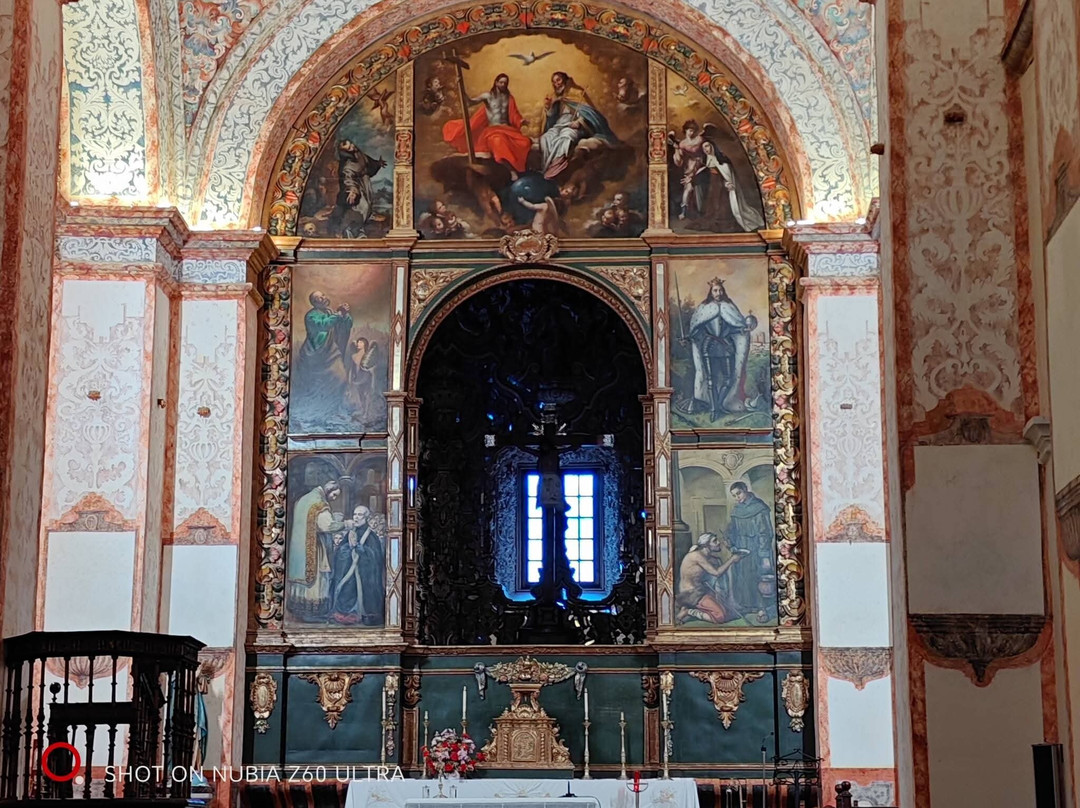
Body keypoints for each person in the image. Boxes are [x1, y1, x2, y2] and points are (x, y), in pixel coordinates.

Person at [685, 277, 757, 418]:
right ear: (711, 292)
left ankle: (717, 406)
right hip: (709, 346)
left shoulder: (729, 307)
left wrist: (743, 330)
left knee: (728, 380)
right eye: (715, 290)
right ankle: (714, 411)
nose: (718, 293)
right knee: (710, 379)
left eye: (720, 290)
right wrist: (691, 336)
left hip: (726, 346)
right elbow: (697, 328)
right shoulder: (704, 308)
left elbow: (734, 326)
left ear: (723, 291)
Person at [443, 73, 532, 175]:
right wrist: (461, 90)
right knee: (498, 141)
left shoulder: (509, 98)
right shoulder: (488, 96)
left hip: (507, 129)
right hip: (493, 131)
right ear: (496, 82)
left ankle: (521, 168)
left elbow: (514, 114)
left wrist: (521, 121)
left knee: (525, 142)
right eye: (501, 82)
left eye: (505, 83)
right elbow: (470, 102)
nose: (503, 84)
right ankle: (511, 170)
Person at [539, 72, 618, 180]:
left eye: (558, 80)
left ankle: (557, 164)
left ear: (565, 80)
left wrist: (579, 122)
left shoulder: (577, 93)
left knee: (565, 137)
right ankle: (546, 166)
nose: (556, 84)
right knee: (545, 138)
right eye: (553, 81)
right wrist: (549, 108)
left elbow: (588, 112)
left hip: (575, 125)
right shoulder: (555, 97)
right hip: (559, 124)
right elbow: (551, 117)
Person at [292, 291, 352, 429]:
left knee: (341, 378)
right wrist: (337, 315)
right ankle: (319, 415)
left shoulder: (330, 311)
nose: (324, 298)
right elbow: (323, 325)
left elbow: (342, 325)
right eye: (320, 298)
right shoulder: (311, 316)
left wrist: (344, 315)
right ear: (315, 302)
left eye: (323, 295)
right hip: (316, 356)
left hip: (331, 352)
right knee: (318, 387)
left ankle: (334, 410)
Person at [287, 480, 345, 619]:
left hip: (299, 548)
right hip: (314, 547)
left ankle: (298, 609)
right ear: (329, 489)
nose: (334, 498)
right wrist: (345, 524)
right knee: (318, 579)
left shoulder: (303, 499)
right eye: (334, 495)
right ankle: (313, 613)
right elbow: (327, 526)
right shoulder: (320, 504)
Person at [726, 482, 775, 621]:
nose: (737, 497)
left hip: (757, 549)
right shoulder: (736, 510)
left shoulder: (759, 507)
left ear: (746, 490)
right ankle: (747, 606)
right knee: (742, 577)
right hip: (741, 549)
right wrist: (731, 542)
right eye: (734, 495)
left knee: (758, 577)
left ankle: (762, 609)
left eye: (739, 493)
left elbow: (765, 533)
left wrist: (764, 555)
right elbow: (733, 530)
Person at [330, 505, 386, 626]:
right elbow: (339, 552)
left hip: (364, 575)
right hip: (349, 572)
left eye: (359, 515)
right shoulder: (350, 533)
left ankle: (365, 615)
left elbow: (375, 557)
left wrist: (360, 549)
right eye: (355, 514)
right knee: (347, 589)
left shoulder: (371, 536)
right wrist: (349, 548)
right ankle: (345, 614)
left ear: (366, 518)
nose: (356, 517)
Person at [676, 532, 746, 624]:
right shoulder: (697, 556)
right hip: (691, 594)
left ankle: (688, 608)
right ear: (706, 545)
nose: (718, 542)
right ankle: (688, 612)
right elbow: (716, 573)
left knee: (729, 611)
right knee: (720, 616)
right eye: (714, 541)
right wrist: (732, 559)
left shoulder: (707, 556)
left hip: (701, 590)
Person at [328, 139, 387, 237]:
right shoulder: (347, 165)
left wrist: (377, 163)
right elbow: (348, 178)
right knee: (363, 206)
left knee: (368, 203)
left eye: (351, 144)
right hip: (356, 186)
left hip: (364, 183)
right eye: (349, 147)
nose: (353, 146)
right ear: (345, 152)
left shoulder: (359, 154)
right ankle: (351, 229)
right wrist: (353, 191)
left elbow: (368, 161)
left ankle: (361, 224)